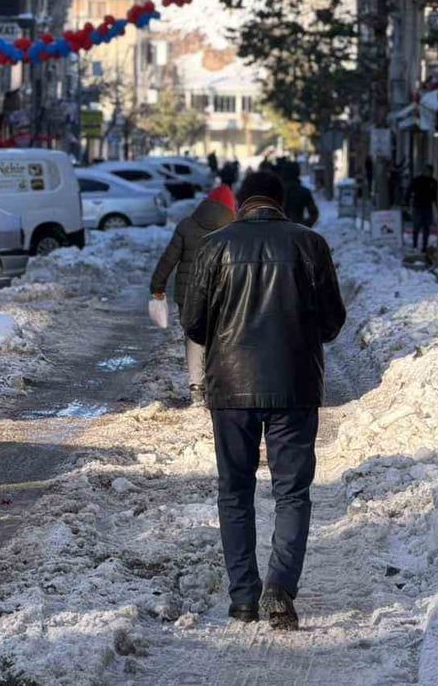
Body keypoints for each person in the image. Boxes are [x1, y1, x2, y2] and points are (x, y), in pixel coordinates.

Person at [181, 172, 346, 630]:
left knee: (235, 490)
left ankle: (243, 598)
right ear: (281, 202)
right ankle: (280, 586)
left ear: (241, 203)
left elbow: (193, 323)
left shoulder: (214, 246)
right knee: (292, 491)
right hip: (294, 386)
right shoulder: (310, 244)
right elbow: (332, 322)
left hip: (230, 389)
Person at [151, 187, 236, 405]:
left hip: (188, 294)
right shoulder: (233, 230)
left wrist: (157, 286)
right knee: (220, 338)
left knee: (194, 338)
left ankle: (196, 387)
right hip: (221, 294)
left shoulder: (187, 225)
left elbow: (168, 259)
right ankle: (218, 385)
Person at [408, 165, 438, 252]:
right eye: (428, 171)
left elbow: (435, 195)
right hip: (418, 206)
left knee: (426, 227)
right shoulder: (417, 180)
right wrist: (406, 202)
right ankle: (415, 245)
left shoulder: (433, 182)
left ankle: (424, 246)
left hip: (427, 207)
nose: (429, 173)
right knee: (416, 226)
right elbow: (409, 190)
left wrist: (437, 205)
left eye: (430, 171)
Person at [281, 162, 319, 227]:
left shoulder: (276, 191)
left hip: (278, 230)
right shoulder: (304, 191)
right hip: (297, 229)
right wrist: (304, 225)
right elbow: (314, 214)